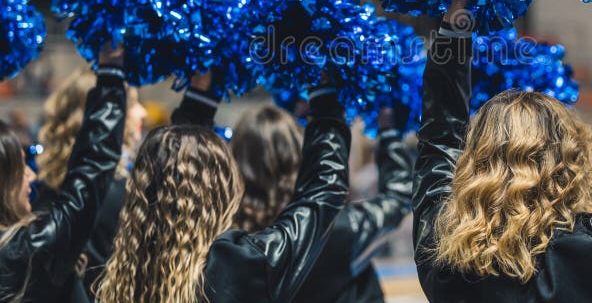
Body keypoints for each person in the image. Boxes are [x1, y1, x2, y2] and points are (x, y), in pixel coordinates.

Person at [413, 0, 592, 302]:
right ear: (570, 161)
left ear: (473, 162)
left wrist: (457, 13)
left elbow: (438, 136)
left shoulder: (442, 256)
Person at [93, 73, 352, 302]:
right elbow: (321, 196)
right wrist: (325, 98)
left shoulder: (128, 271)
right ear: (220, 191)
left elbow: (174, 163)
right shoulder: (236, 267)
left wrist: (201, 94)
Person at [168, 74, 414, 303]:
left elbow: (185, 188)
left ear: (235, 162)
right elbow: (396, 197)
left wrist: (199, 98)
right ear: (301, 155)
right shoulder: (335, 227)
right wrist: (389, 129)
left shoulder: (223, 242)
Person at [0, 46, 127, 302]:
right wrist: (111, 74)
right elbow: (91, 172)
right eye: (22, 167)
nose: (31, 176)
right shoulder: (26, 251)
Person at [31, 68, 147, 296]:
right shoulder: (116, 192)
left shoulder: (46, 185)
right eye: (132, 103)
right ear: (100, 114)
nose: (142, 112)